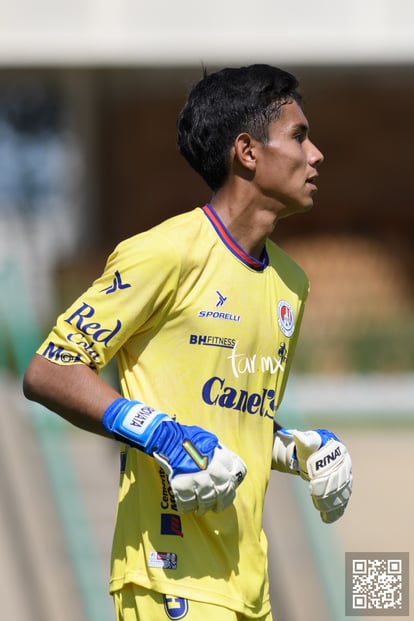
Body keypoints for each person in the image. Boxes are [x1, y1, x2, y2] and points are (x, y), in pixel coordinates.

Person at [23, 64, 353, 621]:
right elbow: (49, 370)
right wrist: (159, 434)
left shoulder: (291, 284)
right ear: (247, 152)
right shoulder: (164, 252)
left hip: (249, 589)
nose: (316, 154)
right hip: (165, 580)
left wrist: (298, 448)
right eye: (299, 136)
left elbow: (234, 419)